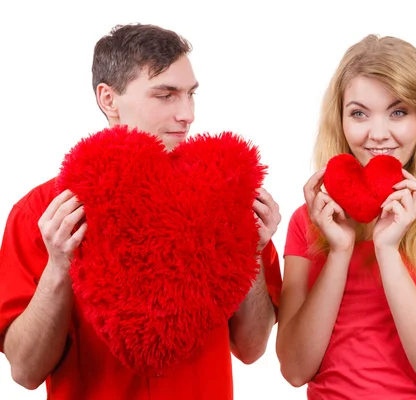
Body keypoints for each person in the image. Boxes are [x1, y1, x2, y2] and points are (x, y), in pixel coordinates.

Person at [0, 23, 282, 399]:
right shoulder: (45, 212)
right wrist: (58, 265)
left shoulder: (225, 197)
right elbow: (24, 371)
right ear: (108, 99)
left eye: (190, 95)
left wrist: (253, 251)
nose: (187, 114)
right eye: (165, 95)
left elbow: (252, 348)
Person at [276, 34, 416, 399]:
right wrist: (340, 251)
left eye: (398, 112)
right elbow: (295, 370)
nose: (378, 134)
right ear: (340, 120)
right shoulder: (310, 219)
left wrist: (388, 251)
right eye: (359, 113)